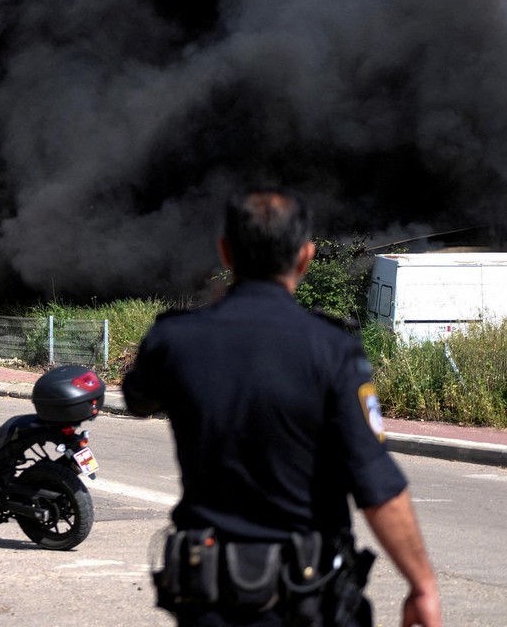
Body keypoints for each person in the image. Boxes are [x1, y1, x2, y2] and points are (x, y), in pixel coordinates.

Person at [123, 189, 441, 627]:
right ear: (305, 257)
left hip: (209, 602)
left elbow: (138, 399)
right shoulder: (332, 349)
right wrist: (421, 584)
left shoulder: (175, 340)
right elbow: (376, 484)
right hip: (307, 600)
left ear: (225, 252)